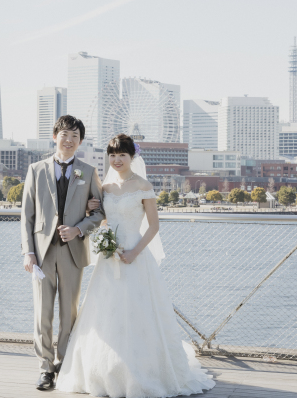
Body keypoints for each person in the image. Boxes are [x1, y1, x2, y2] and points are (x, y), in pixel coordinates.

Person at [56, 134, 215, 398]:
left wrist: (134, 253)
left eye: (122, 155)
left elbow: (153, 226)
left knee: (138, 314)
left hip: (135, 255)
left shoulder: (143, 185)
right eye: (113, 156)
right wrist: (90, 210)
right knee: (106, 314)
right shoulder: (104, 187)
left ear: (132, 157)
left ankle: (142, 373)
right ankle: (105, 373)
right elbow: (101, 221)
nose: (117, 160)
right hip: (109, 257)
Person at [20, 115, 105, 391]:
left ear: (80, 141)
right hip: (42, 254)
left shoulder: (89, 172)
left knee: (69, 313)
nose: (69, 141)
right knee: (42, 314)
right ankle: (46, 368)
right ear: (55, 136)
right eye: (65, 135)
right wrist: (28, 252)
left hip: (73, 253)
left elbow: (101, 212)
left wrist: (79, 229)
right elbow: (27, 216)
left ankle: (65, 363)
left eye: (75, 137)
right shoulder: (36, 169)